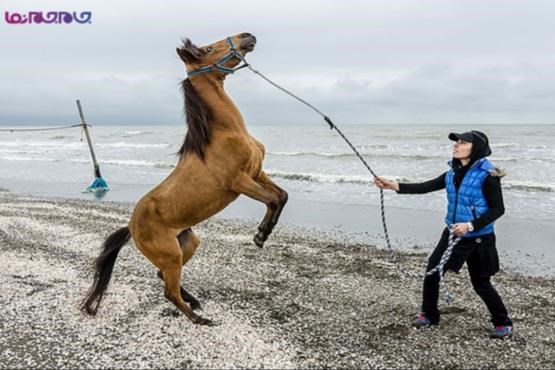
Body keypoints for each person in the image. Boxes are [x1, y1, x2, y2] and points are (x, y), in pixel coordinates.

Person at [374, 130, 513, 339]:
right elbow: (425, 187)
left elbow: (498, 209)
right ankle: (429, 314)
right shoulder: (452, 173)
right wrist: (393, 185)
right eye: (456, 142)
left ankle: (502, 322)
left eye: (462, 142)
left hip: (479, 238)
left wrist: (470, 225)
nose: (456, 145)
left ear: (476, 149)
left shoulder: (488, 176)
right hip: (452, 234)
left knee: (481, 283)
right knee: (432, 271)